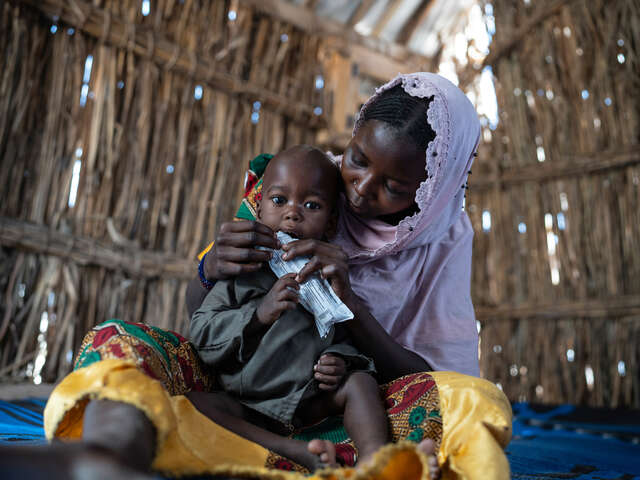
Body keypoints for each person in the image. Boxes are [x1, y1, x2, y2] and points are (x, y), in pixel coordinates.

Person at [17, 72, 510, 480]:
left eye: (394, 187)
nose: (360, 189)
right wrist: (210, 268)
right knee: (120, 342)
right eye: (358, 160)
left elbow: (431, 375)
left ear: (433, 189)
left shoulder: (441, 243)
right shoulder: (295, 184)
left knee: (469, 400)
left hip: (348, 411)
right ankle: (108, 457)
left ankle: (376, 467)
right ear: (353, 136)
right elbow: (204, 314)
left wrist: (354, 316)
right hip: (241, 385)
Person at [187, 145, 388, 471]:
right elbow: (202, 334)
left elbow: (344, 336)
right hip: (247, 401)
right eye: (279, 200)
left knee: (360, 384)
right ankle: (291, 450)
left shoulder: (325, 274)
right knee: (191, 406)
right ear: (259, 207)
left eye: (312, 205)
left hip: (309, 399)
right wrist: (258, 315)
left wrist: (339, 362)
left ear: (331, 223)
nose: (293, 214)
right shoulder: (242, 269)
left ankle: (377, 463)